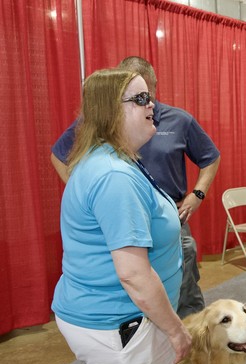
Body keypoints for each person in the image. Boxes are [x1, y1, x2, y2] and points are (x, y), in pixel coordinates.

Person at [51, 68, 192, 364]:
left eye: (150, 97)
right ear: (111, 112)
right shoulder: (115, 175)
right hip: (122, 326)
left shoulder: (110, 160)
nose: (152, 105)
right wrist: (176, 330)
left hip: (114, 322)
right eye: (141, 99)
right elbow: (133, 274)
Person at [51, 56, 220, 319]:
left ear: (154, 86)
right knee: (133, 288)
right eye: (137, 97)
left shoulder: (178, 120)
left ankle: (188, 346)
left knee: (184, 293)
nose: (147, 103)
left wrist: (197, 195)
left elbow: (211, 157)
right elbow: (59, 155)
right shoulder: (102, 142)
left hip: (169, 218)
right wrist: (87, 195)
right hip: (122, 223)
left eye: (146, 94)